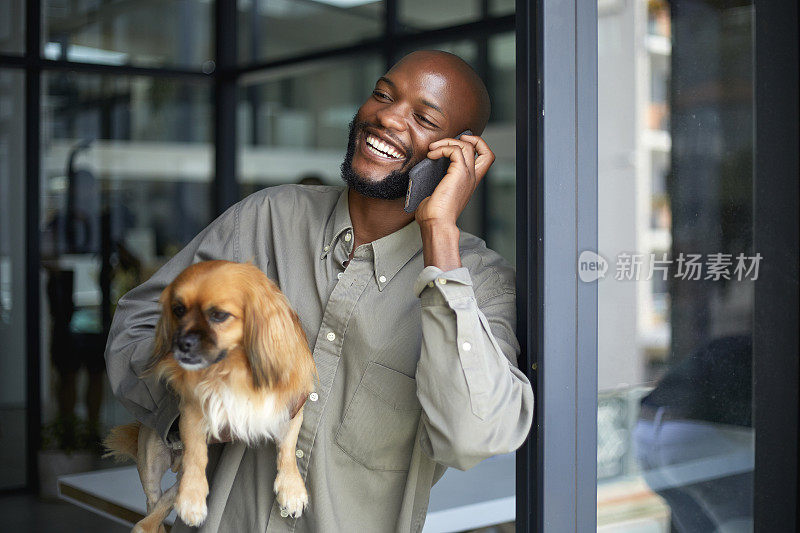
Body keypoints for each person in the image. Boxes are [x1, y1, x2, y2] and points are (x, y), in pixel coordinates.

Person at [105, 50, 534, 532]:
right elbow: (135, 328)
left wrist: (439, 233)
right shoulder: (265, 220)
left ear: (459, 153)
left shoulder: (480, 283)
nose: (387, 116)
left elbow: (471, 436)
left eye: (423, 117)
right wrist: (200, 401)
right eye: (383, 94)